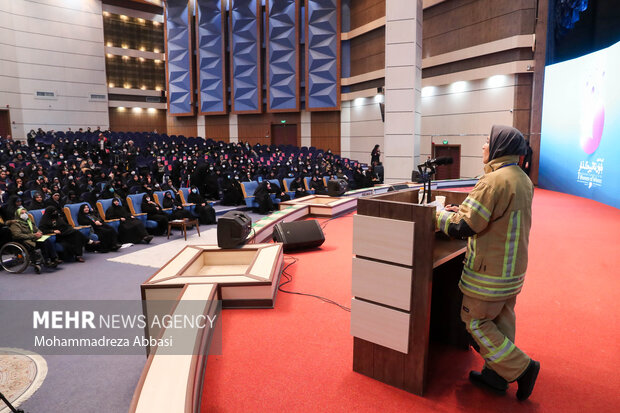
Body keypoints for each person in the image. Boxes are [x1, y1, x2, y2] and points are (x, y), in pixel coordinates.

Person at [435, 125, 539, 400]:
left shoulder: (493, 181)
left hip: (489, 273)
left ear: (499, 148)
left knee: (476, 322)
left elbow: (465, 226)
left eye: (486, 141)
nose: (483, 146)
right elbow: (492, 218)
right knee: (502, 322)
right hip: (512, 271)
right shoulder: (521, 178)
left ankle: (522, 368)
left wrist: (437, 216)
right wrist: (464, 212)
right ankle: (496, 376)